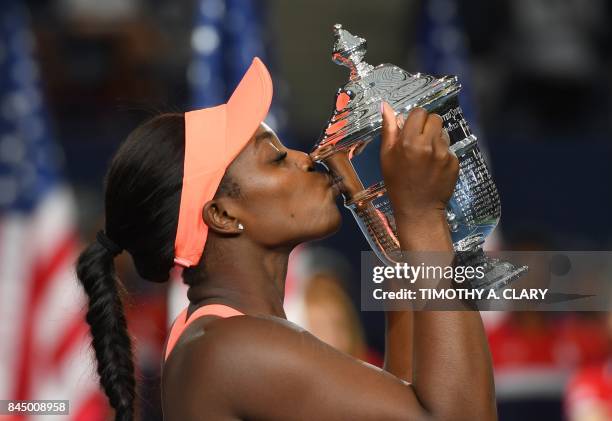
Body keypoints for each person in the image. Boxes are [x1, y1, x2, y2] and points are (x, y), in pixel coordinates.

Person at [76, 57, 496, 420]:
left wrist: (399, 238)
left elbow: (407, 397)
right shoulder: (231, 348)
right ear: (222, 215)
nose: (307, 158)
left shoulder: (228, 336)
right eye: (276, 158)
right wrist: (423, 216)